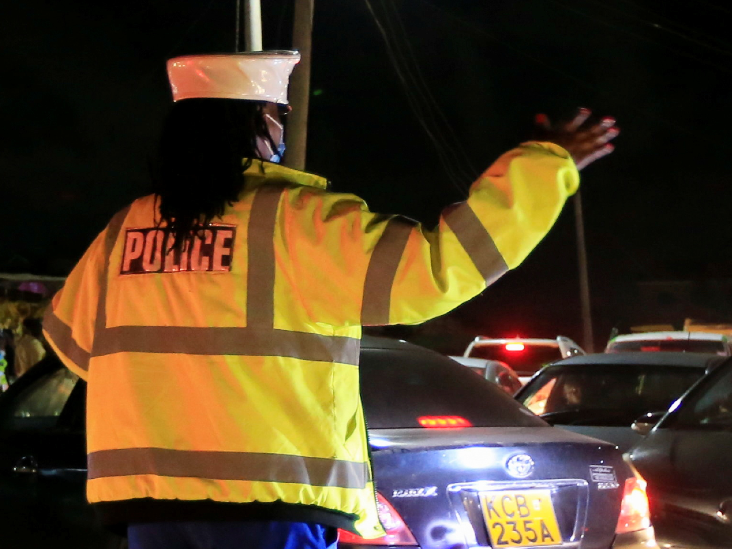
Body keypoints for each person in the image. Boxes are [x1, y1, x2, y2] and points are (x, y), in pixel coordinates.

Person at [42, 51, 618, 549]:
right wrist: (545, 166)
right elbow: (442, 268)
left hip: (149, 508)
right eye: (280, 114)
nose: (283, 127)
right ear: (258, 122)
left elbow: (71, 342)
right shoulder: (296, 222)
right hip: (272, 503)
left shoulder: (123, 232)